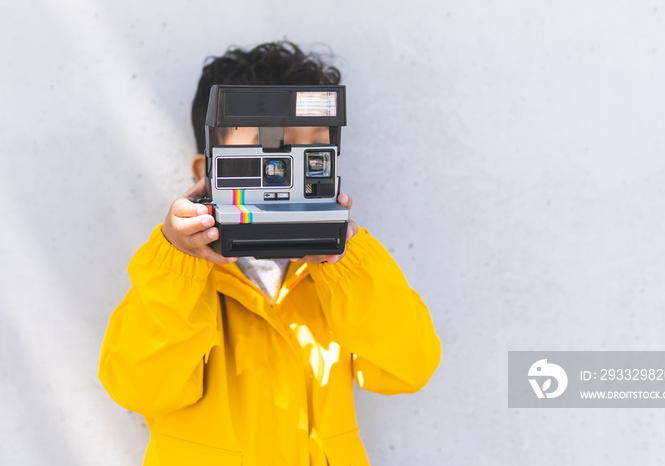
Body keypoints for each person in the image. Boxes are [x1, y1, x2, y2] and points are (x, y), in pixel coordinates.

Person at [99, 41, 441, 466]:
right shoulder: (178, 279)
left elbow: (410, 367)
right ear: (207, 172)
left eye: (311, 153)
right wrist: (178, 259)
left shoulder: (337, 277)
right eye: (271, 151)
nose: (286, 170)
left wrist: (346, 258)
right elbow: (138, 387)